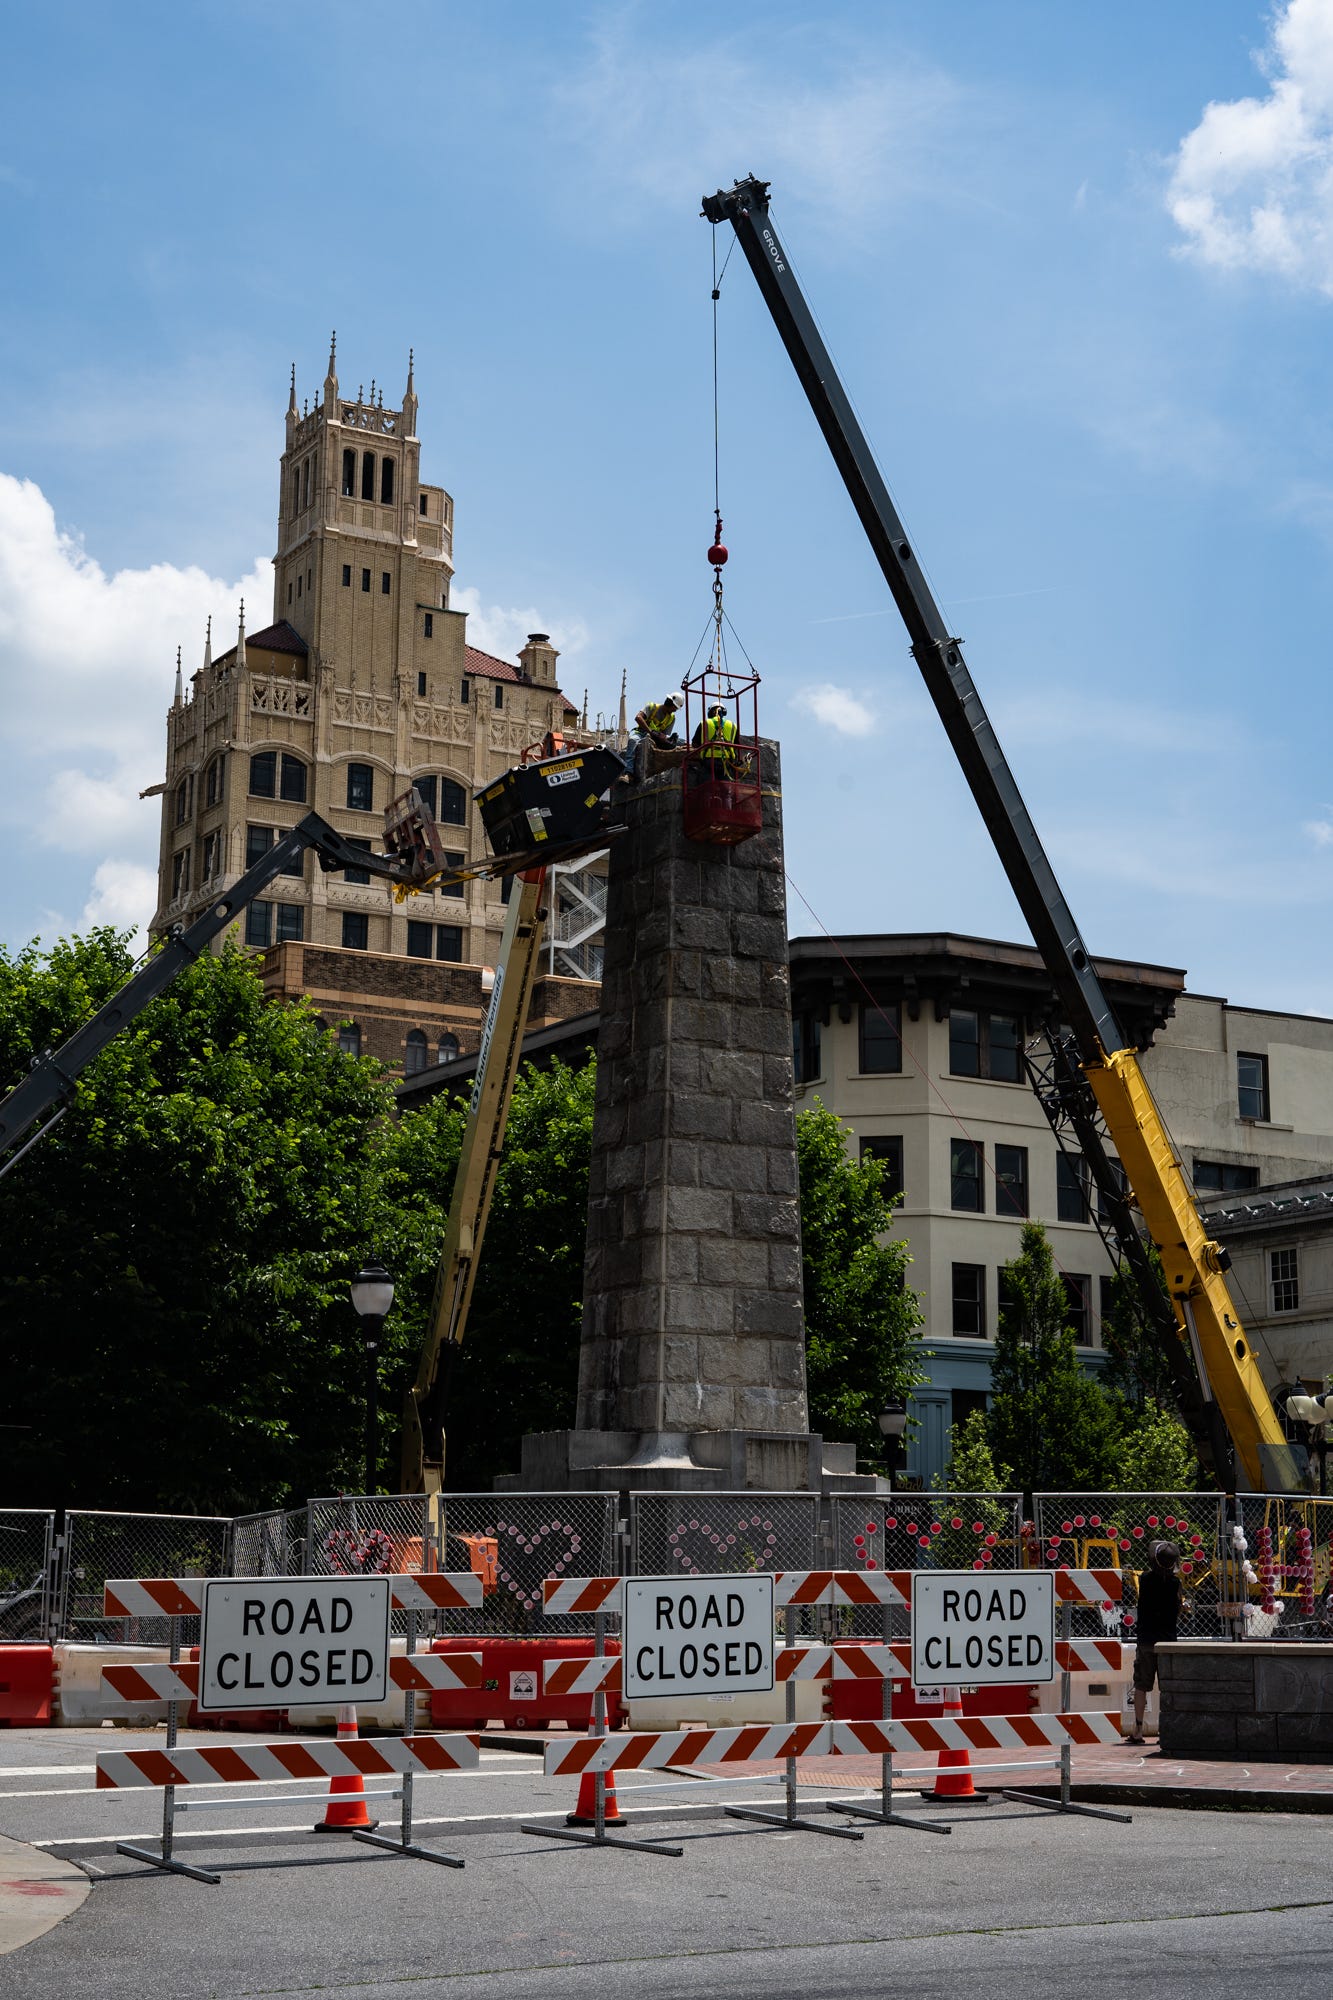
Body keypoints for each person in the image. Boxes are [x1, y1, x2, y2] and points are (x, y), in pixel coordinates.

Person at [1126, 1539, 1184, 1743]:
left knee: (1142, 1684)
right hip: (1167, 1639)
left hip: (1146, 1638)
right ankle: (1164, 1729)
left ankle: (1139, 1729)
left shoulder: (1145, 1579)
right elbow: (1177, 1609)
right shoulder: (1176, 1583)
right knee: (1166, 1686)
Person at [691, 703, 738, 781]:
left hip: (709, 762)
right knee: (726, 790)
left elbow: (695, 744)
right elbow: (736, 745)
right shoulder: (732, 725)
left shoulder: (705, 723)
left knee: (706, 788)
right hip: (726, 763)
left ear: (711, 712)